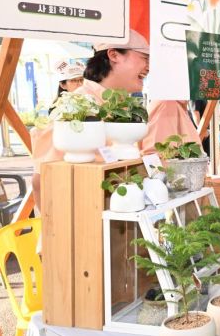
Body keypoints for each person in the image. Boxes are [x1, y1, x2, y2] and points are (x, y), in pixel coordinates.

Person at [31, 30, 151, 209]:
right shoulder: (76, 106)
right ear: (114, 55)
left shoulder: (125, 106)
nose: (149, 67)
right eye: (144, 57)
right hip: (79, 229)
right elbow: (42, 179)